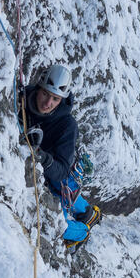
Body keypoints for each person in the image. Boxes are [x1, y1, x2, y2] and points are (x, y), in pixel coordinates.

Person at [19, 64, 101, 249]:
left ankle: (82, 232)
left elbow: (62, 170)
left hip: (58, 172)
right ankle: (88, 212)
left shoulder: (67, 125)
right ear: (39, 88)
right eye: (46, 94)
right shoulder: (24, 98)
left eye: (55, 99)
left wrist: (45, 159)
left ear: (61, 100)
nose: (48, 103)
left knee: (56, 225)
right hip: (52, 171)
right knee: (65, 191)